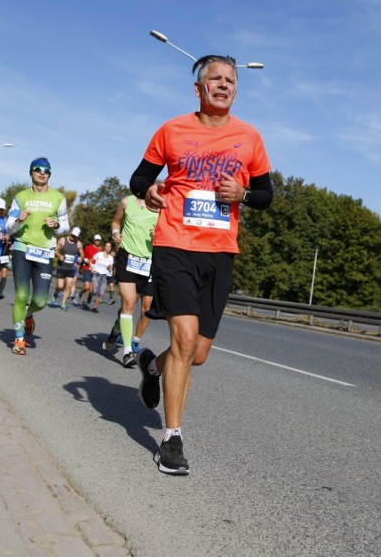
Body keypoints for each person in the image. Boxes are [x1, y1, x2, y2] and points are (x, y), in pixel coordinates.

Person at [129, 54, 274, 475]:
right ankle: (171, 439)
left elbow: (266, 195)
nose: (225, 85)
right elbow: (139, 178)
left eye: (231, 80)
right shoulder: (172, 130)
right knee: (185, 337)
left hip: (220, 251)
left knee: (197, 354)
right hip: (174, 244)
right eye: (216, 78)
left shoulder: (249, 137)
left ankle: (153, 368)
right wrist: (151, 190)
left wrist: (242, 195)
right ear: (199, 88)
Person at [5, 158, 69, 355]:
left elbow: (65, 226)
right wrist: (17, 220)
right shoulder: (21, 196)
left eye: (46, 170)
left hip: (45, 251)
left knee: (40, 300)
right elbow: (8, 227)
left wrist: (57, 225)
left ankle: (29, 315)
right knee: (22, 295)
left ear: (50, 174)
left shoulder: (58, 197)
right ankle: (19, 339)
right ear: (31, 173)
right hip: (22, 247)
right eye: (38, 170)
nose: (42, 173)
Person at [102, 195, 158, 368]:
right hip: (127, 257)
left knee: (144, 307)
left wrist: (160, 236)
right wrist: (115, 233)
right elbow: (116, 222)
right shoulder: (128, 202)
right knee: (130, 302)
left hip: (149, 262)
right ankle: (128, 352)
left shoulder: (165, 209)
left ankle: (116, 331)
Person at [53, 226, 83, 311]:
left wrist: (81, 258)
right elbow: (55, 250)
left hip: (71, 268)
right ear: (70, 232)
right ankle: (55, 294)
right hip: (61, 266)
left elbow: (82, 254)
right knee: (60, 285)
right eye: (72, 235)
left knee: (69, 285)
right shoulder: (62, 240)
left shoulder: (79, 244)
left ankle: (63, 303)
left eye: (75, 236)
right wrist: (59, 255)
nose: (73, 237)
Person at [76, 234, 102, 310]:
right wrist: (85, 260)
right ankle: (80, 294)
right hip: (87, 268)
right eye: (96, 240)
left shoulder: (101, 249)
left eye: (99, 240)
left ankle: (85, 302)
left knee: (92, 289)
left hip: (96, 270)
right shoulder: (88, 247)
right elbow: (83, 256)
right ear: (94, 240)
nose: (97, 241)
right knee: (87, 286)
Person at [89, 240, 114, 314]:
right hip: (96, 274)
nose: (108, 248)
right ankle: (89, 297)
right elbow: (90, 261)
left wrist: (110, 269)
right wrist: (92, 269)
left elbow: (111, 267)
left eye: (110, 246)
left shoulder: (110, 258)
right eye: (107, 246)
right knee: (94, 291)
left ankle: (95, 307)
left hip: (103, 276)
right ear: (104, 247)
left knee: (101, 293)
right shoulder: (99, 254)